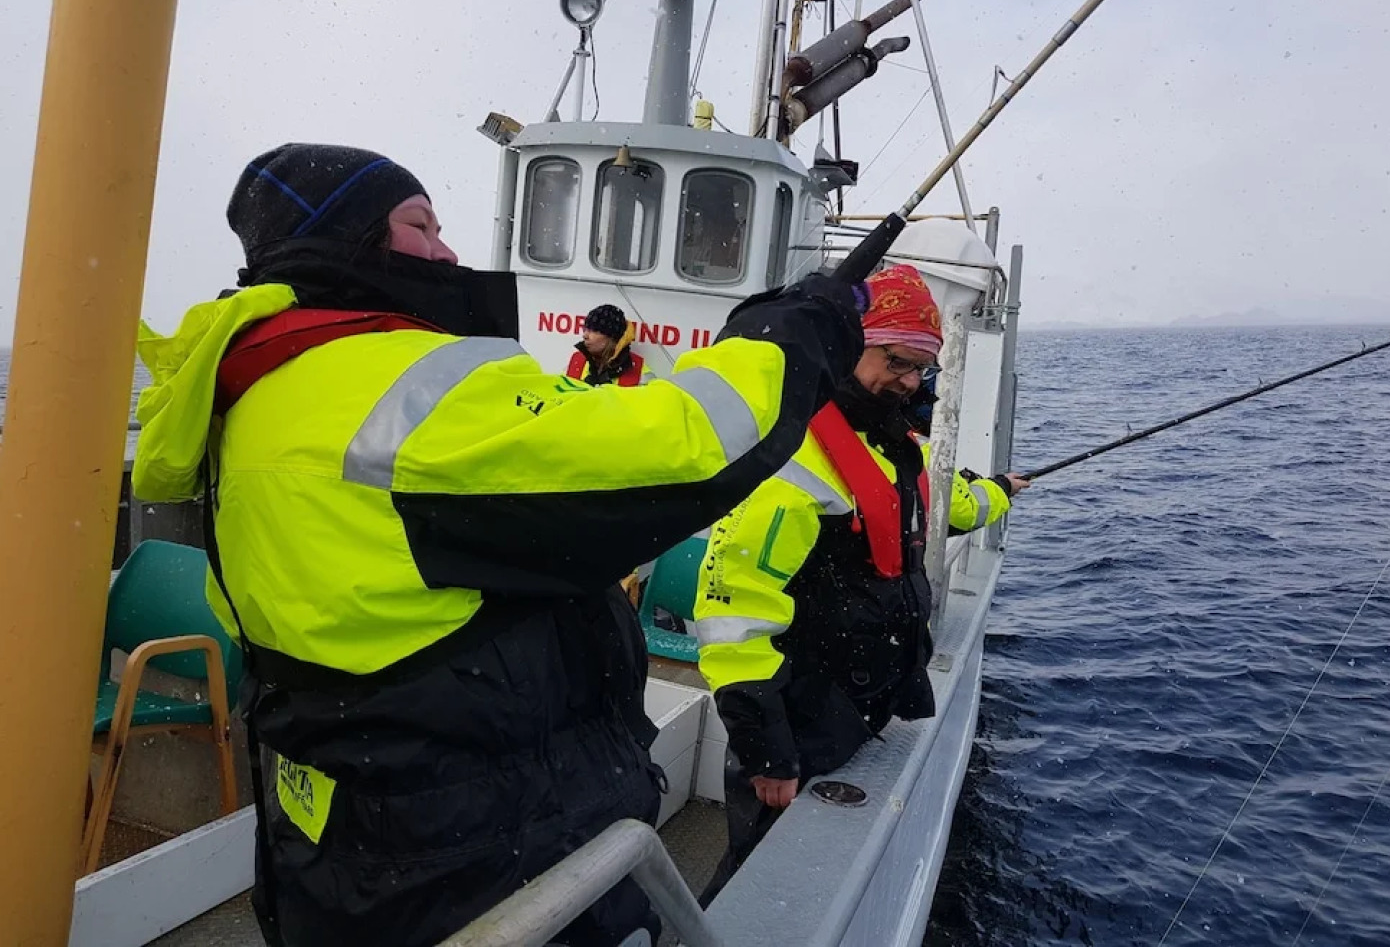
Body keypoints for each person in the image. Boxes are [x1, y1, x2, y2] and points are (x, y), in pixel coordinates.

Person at [131, 143, 866, 947]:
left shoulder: (257, 387)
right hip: (474, 837)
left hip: (336, 821)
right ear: (345, 234)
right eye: (419, 224)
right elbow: (691, 446)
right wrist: (789, 331)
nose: (446, 251)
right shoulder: (390, 386)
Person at [692, 263, 1031, 904]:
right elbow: (731, 614)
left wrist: (1001, 494)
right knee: (755, 877)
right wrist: (768, 753)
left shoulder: (894, 441)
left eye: (920, 369)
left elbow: (952, 502)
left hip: (857, 704)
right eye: (897, 361)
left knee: (797, 882)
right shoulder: (791, 459)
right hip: (800, 716)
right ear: (850, 346)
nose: (908, 382)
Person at [568, 303, 650, 386]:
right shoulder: (576, 362)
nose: (585, 335)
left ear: (612, 338)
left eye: (594, 330)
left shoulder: (639, 372)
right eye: (585, 329)